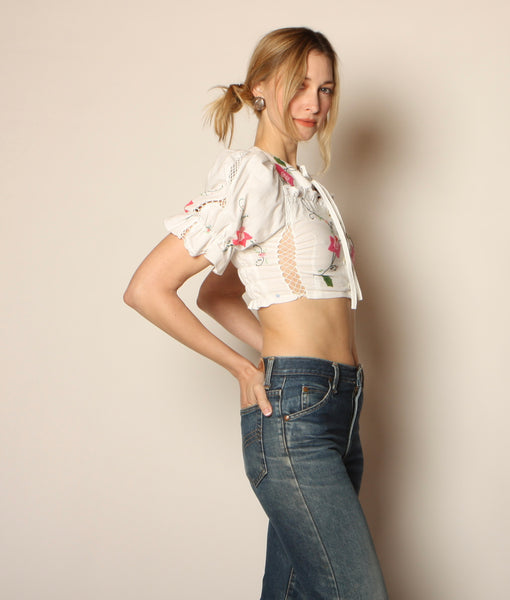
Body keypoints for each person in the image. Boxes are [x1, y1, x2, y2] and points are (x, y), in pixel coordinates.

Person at [124, 26, 388, 600]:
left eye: (325, 89)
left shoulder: (306, 188)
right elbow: (148, 288)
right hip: (296, 416)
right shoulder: (252, 174)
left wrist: (275, 349)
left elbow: (216, 294)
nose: (314, 102)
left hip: (341, 406)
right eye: (300, 85)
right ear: (261, 87)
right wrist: (245, 367)